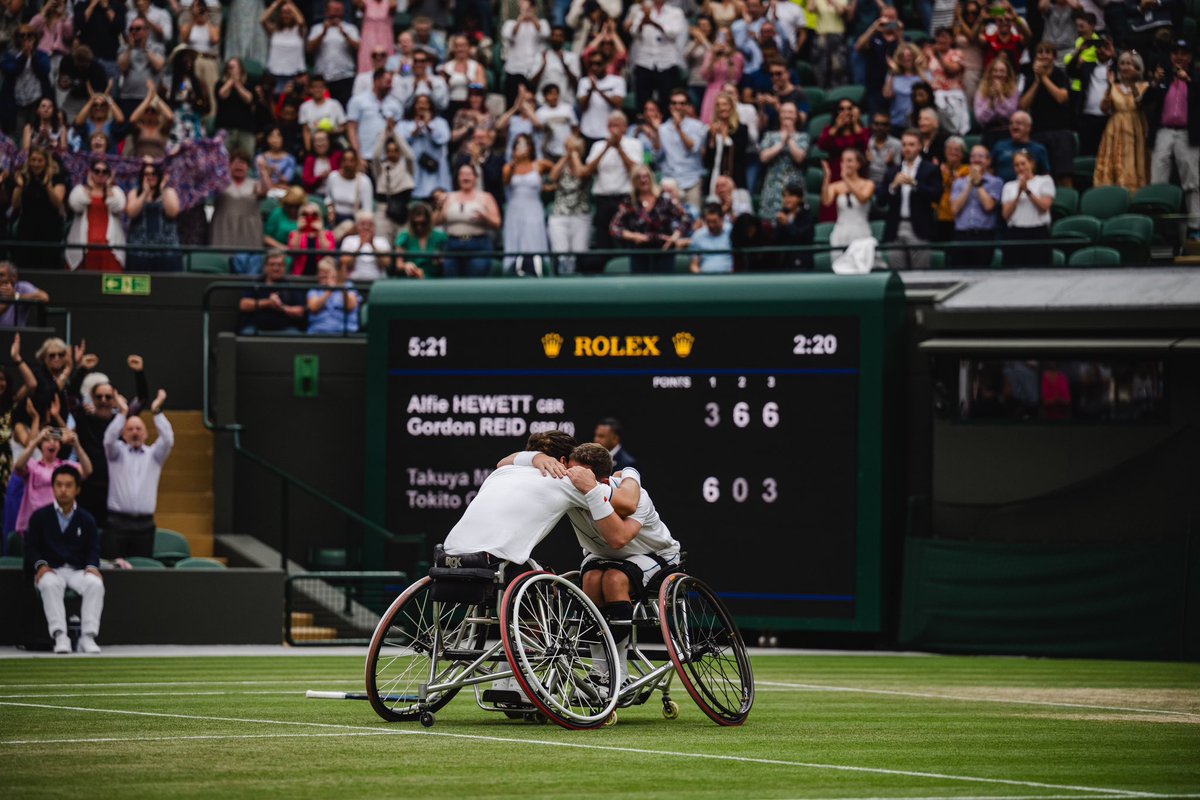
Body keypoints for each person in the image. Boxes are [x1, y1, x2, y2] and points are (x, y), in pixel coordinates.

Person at [566, 442, 679, 684]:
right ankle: (600, 672)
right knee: (591, 579)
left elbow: (620, 539)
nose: (571, 477)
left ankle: (619, 674)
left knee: (614, 579)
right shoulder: (568, 490)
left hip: (654, 554)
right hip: (601, 555)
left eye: (578, 473)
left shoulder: (637, 497)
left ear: (603, 481)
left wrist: (629, 474)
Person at [442, 430, 639, 568]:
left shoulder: (502, 471)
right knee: (547, 588)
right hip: (493, 563)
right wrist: (630, 473)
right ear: (563, 461)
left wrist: (535, 457)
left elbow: (503, 461)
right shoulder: (564, 479)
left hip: (447, 557)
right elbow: (628, 503)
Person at [27, 464, 104, 654]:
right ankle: (60, 636)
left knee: (95, 583)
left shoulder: (87, 519)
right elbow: (31, 547)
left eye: (68, 485)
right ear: (53, 487)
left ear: (77, 489)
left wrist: (92, 566)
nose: (63, 490)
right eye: (59, 485)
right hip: (51, 570)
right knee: (49, 583)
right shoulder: (39, 517)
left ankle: (88, 637)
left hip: (77, 571)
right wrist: (41, 566)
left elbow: (94, 548)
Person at [103, 387, 172, 559]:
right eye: (130, 429)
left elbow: (168, 440)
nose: (135, 432)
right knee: (114, 568)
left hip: (144, 525)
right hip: (117, 523)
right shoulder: (116, 453)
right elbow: (109, 440)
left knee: (142, 569)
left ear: (146, 434)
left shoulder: (154, 456)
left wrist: (156, 411)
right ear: (123, 434)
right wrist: (122, 413)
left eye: (139, 429)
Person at [1147, 40, 1199, 241]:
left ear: (1190, 57)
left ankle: (1195, 226)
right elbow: (1147, 101)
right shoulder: (1163, 78)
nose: (1179, 57)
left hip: (1187, 133)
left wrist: (1189, 81)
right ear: (1170, 56)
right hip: (1164, 131)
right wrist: (1154, 82)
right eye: (1175, 53)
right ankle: (1159, 228)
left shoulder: (1196, 78)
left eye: (1184, 53)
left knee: (1192, 182)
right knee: (1157, 180)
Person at [582, 111, 643, 272]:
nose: (614, 129)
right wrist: (607, 148)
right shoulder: (598, 146)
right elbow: (588, 171)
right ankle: (604, 273)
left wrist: (619, 149)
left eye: (617, 125)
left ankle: (628, 271)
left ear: (625, 127)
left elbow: (636, 170)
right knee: (603, 241)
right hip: (603, 199)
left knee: (626, 239)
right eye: (611, 126)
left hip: (625, 198)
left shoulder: (634, 144)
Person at [879, 129, 943, 270]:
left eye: (911, 144)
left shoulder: (930, 169)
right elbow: (881, 201)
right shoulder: (892, 171)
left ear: (920, 146)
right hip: (896, 227)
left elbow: (936, 195)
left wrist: (915, 184)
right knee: (897, 272)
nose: (907, 148)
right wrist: (893, 186)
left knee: (920, 273)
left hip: (920, 226)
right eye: (904, 144)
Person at [610, 165, 692, 273]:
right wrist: (633, 236)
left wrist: (675, 236)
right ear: (634, 181)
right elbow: (614, 227)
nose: (643, 180)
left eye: (646, 176)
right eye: (639, 177)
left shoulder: (664, 198)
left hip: (664, 250)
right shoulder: (629, 202)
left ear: (651, 178)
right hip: (639, 252)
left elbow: (686, 217)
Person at [14, 425, 93, 538]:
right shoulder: (33, 465)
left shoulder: (65, 466)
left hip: (60, 524)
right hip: (35, 524)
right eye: (47, 440)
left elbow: (88, 470)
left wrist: (77, 445)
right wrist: (36, 440)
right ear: (41, 445)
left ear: (59, 446)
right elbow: (18, 466)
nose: (52, 443)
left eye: (55, 440)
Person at [1094, 50, 1149, 193]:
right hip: (1115, 130)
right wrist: (1109, 86)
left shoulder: (1144, 86)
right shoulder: (1114, 87)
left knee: (1134, 162)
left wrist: (1133, 85)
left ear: (1137, 67)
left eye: (1129, 64)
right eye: (1122, 64)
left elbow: (1141, 104)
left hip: (1136, 128)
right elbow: (1104, 108)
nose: (1125, 67)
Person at [1020, 42, 1074, 187]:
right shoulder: (1030, 78)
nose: (1044, 55)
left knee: (1064, 175)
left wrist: (1044, 78)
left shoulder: (1060, 74)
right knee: (1041, 176)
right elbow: (1023, 105)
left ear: (1053, 56)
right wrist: (1037, 82)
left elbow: (1061, 97)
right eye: (1040, 52)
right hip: (1038, 132)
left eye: (1048, 52)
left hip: (1060, 132)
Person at [8, 148, 67, 271]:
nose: (36, 164)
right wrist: (20, 186)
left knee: (48, 266)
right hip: (27, 229)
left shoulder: (57, 177)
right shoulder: (23, 177)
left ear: (46, 162)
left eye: (40, 160)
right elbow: (15, 204)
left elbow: (57, 203)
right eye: (33, 160)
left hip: (50, 229)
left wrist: (48, 184)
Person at [503, 133, 553, 277]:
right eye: (518, 144)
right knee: (514, 240)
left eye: (525, 144)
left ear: (531, 147)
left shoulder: (540, 165)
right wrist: (515, 161)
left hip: (534, 208)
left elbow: (556, 171)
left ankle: (538, 271)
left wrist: (549, 186)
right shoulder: (509, 167)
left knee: (534, 239)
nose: (522, 147)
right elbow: (506, 181)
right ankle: (512, 273)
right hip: (515, 209)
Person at [440, 163, 502, 277]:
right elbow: (436, 221)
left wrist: (485, 218)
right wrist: (438, 207)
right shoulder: (449, 197)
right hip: (453, 243)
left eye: (469, 174)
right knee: (451, 279)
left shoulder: (486, 197)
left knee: (476, 279)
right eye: (462, 174)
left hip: (478, 244)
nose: (465, 177)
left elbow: (497, 223)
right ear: (458, 177)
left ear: (475, 177)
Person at [65, 159, 126, 273]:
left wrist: (108, 187)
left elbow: (118, 206)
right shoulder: (80, 190)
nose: (100, 174)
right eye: (97, 171)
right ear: (90, 172)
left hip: (109, 251)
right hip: (84, 249)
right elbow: (76, 205)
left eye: (104, 171)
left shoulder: (116, 191)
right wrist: (90, 187)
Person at [625, 0, 688, 108]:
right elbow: (633, 32)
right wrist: (643, 21)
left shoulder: (675, 12)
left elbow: (673, 33)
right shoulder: (642, 11)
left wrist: (653, 23)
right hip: (644, 61)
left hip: (667, 62)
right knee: (643, 100)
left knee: (667, 99)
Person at [815, 99, 870, 221]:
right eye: (842, 109)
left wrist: (855, 122)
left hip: (857, 174)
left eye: (849, 109)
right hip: (836, 173)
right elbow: (822, 145)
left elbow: (864, 143)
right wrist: (837, 127)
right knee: (832, 211)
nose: (846, 112)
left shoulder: (862, 131)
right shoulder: (830, 130)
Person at [950, 145, 1003, 267]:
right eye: (973, 156)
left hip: (984, 236)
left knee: (982, 273)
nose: (976, 159)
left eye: (980, 156)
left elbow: (989, 206)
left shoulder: (996, 182)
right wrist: (970, 184)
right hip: (961, 235)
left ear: (988, 161)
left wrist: (978, 183)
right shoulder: (959, 183)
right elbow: (954, 209)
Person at [547, 133, 592, 276]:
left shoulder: (586, 165)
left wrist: (574, 155)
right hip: (560, 215)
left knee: (579, 255)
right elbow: (552, 176)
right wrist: (566, 155)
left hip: (580, 215)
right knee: (561, 255)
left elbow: (580, 174)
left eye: (575, 149)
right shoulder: (562, 166)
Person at [1002, 150, 1056, 267]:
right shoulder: (1008, 186)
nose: (1020, 167)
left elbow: (1044, 207)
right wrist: (1018, 193)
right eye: (1016, 165)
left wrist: (1027, 191)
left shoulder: (1045, 181)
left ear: (1031, 163)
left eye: (1023, 163)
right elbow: (1005, 215)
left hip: (1038, 233)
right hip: (1015, 233)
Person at [125, 160, 181, 272]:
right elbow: (131, 213)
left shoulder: (169, 192)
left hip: (166, 250)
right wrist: (145, 193)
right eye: (146, 174)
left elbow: (173, 213)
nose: (150, 177)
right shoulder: (135, 193)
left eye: (154, 174)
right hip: (139, 250)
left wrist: (162, 190)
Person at [397, 94, 451, 202]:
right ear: (414, 106)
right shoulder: (404, 124)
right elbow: (399, 142)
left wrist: (428, 126)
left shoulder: (440, 123)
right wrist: (415, 130)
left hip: (435, 166)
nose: (422, 106)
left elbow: (444, 139)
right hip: (414, 166)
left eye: (425, 103)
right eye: (419, 103)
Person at [1068, 33, 1115, 157]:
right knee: (1087, 154)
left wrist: (1113, 52)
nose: (1102, 50)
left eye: (1105, 46)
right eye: (1099, 46)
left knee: (1107, 155)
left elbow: (1127, 62)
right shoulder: (1088, 66)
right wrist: (1079, 51)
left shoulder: (1116, 68)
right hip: (1087, 118)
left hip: (1109, 119)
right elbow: (1070, 71)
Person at [757, 102, 807, 218]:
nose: (787, 115)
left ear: (796, 116)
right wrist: (781, 143)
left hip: (794, 184)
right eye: (784, 112)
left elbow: (799, 158)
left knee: (794, 219)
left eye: (790, 112)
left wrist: (789, 139)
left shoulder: (802, 136)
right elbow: (763, 157)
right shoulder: (770, 135)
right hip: (773, 183)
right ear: (779, 115)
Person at [824, 148, 876, 258]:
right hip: (840, 231)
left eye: (849, 161)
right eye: (843, 161)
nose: (846, 164)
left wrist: (846, 180)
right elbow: (826, 201)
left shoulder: (868, 184)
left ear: (858, 164)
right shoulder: (836, 186)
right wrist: (827, 177)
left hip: (860, 230)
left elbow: (862, 198)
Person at [238, 250, 306, 333]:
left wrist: (280, 307)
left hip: (285, 329)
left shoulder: (292, 286)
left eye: (279, 265)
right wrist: (267, 303)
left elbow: (299, 312)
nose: (275, 268)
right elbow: (244, 305)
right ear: (265, 267)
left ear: (285, 267)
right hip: (256, 328)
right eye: (272, 265)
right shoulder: (256, 284)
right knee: (247, 332)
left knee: (294, 334)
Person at [306, 0, 359, 107]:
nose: (336, 14)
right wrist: (323, 33)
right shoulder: (317, 28)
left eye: (339, 11)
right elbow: (310, 49)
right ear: (327, 12)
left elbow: (357, 47)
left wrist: (345, 34)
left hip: (345, 77)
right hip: (324, 78)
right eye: (334, 10)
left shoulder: (350, 28)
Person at [501, 0, 550, 105]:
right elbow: (508, 35)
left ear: (534, 8)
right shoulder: (510, 24)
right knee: (513, 102)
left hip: (535, 72)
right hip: (514, 70)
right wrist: (521, 19)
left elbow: (545, 34)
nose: (526, 10)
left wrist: (532, 17)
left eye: (529, 7)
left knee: (535, 103)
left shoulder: (542, 23)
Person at [372, 128, 416, 242]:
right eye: (389, 151)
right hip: (384, 211)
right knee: (382, 243)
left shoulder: (407, 169)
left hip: (402, 210)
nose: (392, 153)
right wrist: (384, 135)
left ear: (400, 152)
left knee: (401, 244)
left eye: (396, 150)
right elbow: (375, 156)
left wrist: (395, 133)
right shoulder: (381, 169)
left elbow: (410, 156)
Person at [577, 53, 626, 146]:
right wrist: (590, 91)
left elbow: (618, 104)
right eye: (591, 64)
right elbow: (582, 107)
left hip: (608, 133)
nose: (594, 67)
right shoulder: (584, 82)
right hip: (587, 132)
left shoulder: (617, 81)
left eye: (598, 64)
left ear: (606, 64)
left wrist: (598, 90)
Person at [974, 55, 1020, 149]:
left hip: (1007, 132)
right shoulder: (981, 90)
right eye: (995, 71)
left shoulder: (1013, 90)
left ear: (1007, 74)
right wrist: (991, 101)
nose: (998, 74)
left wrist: (1000, 96)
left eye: (1002, 71)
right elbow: (980, 117)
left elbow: (1011, 114)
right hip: (989, 132)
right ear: (990, 72)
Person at [991, 111, 1051, 183]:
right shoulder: (1000, 146)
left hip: (1030, 187)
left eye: (1018, 123)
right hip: (1002, 188)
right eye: (1011, 123)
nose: (1014, 126)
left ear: (1028, 127)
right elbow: (990, 169)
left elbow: (1045, 175)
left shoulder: (1039, 149)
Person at [306, 256, 361, 334]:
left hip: (345, 332)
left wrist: (340, 286)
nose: (326, 279)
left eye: (328, 274)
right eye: (322, 276)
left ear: (336, 273)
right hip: (319, 332)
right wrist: (329, 291)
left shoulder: (347, 285)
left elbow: (350, 306)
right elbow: (313, 308)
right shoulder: (315, 290)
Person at [323, 149, 374, 232]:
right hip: (335, 219)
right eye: (345, 160)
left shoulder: (364, 181)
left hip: (354, 220)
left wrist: (357, 225)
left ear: (356, 163)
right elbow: (328, 198)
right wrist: (330, 210)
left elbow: (367, 210)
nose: (347, 164)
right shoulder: (333, 177)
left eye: (351, 161)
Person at [394, 202, 445, 277]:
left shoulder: (440, 237)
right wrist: (406, 265)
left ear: (428, 221)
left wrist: (440, 260)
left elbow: (445, 260)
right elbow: (399, 264)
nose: (419, 227)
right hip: (411, 278)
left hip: (433, 278)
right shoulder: (404, 237)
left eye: (423, 223)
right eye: (415, 224)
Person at [340, 211, 394, 281]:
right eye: (363, 224)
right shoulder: (349, 240)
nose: (366, 227)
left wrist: (372, 245)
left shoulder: (382, 241)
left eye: (370, 225)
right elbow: (345, 262)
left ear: (374, 227)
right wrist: (360, 246)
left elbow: (386, 263)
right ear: (357, 226)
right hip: (354, 281)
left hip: (378, 281)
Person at [392, 48, 449, 114]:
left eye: (422, 61)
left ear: (427, 63)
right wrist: (413, 91)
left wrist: (432, 91)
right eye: (416, 61)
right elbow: (402, 107)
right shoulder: (404, 82)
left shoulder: (438, 81)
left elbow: (443, 105)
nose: (419, 64)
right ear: (412, 63)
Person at [287, 202, 337, 276]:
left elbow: (328, 254)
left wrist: (320, 232)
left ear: (319, 217)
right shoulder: (294, 234)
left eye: (314, 215)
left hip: (322, 277)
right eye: (305, 214)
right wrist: (299, 231)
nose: (309, 217)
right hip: (300, 276)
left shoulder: (328, 234)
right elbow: (294, 253)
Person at [935, 136, 969, 240]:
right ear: (945, 152)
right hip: (940, 216)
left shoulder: (967, 171)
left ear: (963, 153)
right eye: (950, 149)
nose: (953, 152)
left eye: (957, 150)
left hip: (961, 216)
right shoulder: (937, 170)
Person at [689, 202, 734, 273]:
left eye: (714, 221)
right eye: (708, 221)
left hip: (729, 276)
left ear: (722, 219)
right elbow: (694, 265)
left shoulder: (732, 232)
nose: (711, 225)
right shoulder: (697, 236)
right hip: (705, 277)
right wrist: (700, 275)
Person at [866, 112, 902, 186]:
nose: (880, 127)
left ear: (889, 127)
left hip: (889, 183)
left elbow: (901, 170)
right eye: (876, 124)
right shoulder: (867, 142)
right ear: (872, 125)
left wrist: (891, 164)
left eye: (884, 124)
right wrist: (866, 162)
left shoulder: (897, 144)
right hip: (868, 182)